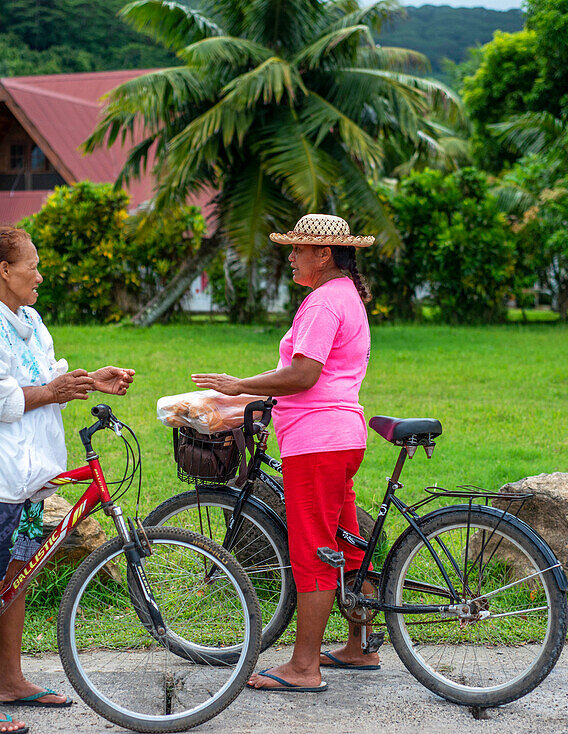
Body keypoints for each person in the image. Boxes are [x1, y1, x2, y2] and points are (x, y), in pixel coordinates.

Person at [0, 226, 135, 734]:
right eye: (32, 266)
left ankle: (11, 681)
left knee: (15, 580)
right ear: (5, 271)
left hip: (23, 475)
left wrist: (87, 380)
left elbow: (42, 376)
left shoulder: (25, 319)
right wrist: (52, 389)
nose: (39, 276)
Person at [192, 213, 376, 693]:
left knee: (313, 551)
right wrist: (242, 401)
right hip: (338, 437)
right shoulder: (345, 296)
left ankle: (303, 667)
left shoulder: (322, 302)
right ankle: (358, 646)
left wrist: (239, 384)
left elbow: (303, 376)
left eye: (298, 249)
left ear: (324, 255)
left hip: (318, 442)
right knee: (346, 544)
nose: (291, 256)